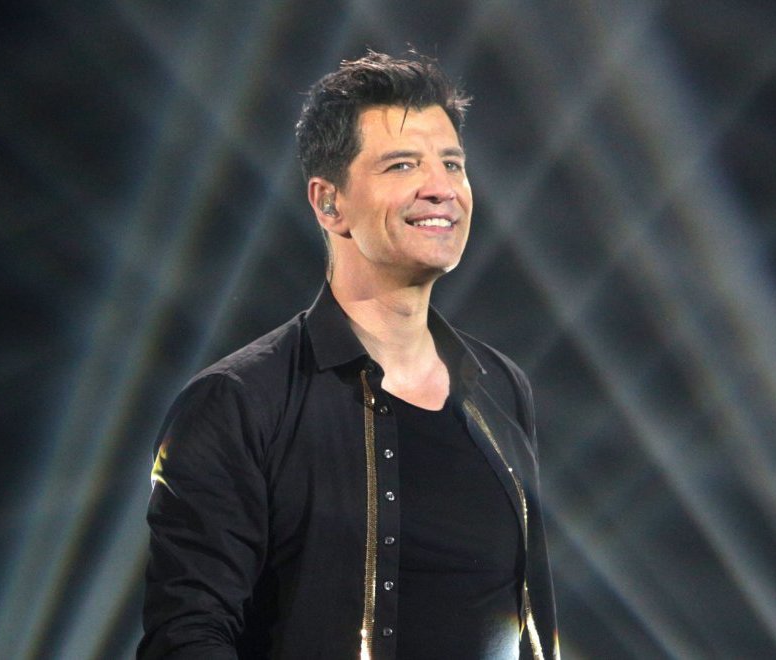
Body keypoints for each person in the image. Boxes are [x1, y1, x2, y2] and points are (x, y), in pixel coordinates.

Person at [139, 50, 559, 660]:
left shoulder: (501, 386)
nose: (441, 188)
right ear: (328, 202)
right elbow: (187, 635)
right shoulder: (238, 402)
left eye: (452, 163)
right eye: (402, 165)